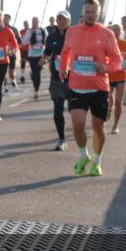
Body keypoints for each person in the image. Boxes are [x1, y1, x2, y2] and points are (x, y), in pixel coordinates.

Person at [59, 0, 123, 177]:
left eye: (93, 12)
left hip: (99, 87)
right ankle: (83, 155)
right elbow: (66, 51)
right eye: (87, 12)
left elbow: (117, 59)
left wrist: (106, 68)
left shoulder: (106, 33)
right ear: (82, 13)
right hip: (77, 85)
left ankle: (97, 161)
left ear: (98, 14)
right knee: (77, 125)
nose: (90, 15)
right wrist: (63, 67)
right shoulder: (72, 31)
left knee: (98, 127)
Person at [41, 10, 71, 150]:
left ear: (69, 21)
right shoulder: (51, 37)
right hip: (56, 78)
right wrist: (44, 59)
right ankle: (62, 140)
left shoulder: (74, 35)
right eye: (59, 19)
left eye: (64, 19)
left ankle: (77, 131)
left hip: (73, 79)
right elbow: (48, 52)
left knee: (74, 110)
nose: (61, 21)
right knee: (57, 112)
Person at [108, 24, 126, 134]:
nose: (116, 32)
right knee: (109, 100)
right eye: (114, 30)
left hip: (121, 75)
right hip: (109, 75)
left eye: (118, 30)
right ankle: (109, 109)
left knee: (118, 101)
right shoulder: (107, 44)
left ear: (121, 32)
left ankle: (116, 125)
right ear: (110, 32)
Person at [23, 17, 47, 99]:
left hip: (40, 55)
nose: (34, 23)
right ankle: (35, 86)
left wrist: (46, 54)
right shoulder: (29, 31)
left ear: (38, 22)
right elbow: (23, 42)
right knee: (34, 72)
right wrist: (30, 34)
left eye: (36, 22)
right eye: (33, 22)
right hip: (32, 55)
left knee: (37, 73)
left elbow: (47, 41)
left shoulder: (43, 31)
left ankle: (36, 91)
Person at [3, 13, 21, 91]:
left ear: (9, 20)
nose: (5, 20)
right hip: (2, 54)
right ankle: (4, 87)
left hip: (11, 53)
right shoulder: (0, 29)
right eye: (4, 18)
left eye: (7, 18)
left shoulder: (14, 29)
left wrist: (14, 49)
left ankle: (13, 80)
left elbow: (19, 41)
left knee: (11, 73)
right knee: (3, 72)